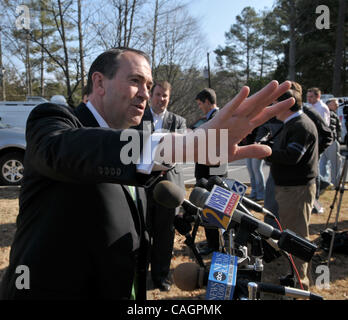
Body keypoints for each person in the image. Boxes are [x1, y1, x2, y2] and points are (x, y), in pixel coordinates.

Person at [0, 46, 295, 299]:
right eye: (135, 81)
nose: (145, 94)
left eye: (148, 84)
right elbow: (66, 151)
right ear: (99, 83)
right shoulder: (53, 120)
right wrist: (194, 142)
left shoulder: (138, 139)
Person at [133, 81, 186, 292]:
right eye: (157, 95)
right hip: (144, 185)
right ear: (150, 95)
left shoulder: (178, 121)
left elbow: (181, 149)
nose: (161, 99)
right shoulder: (138, 119)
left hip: (169, 186)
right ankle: (140, 273)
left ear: (169, 97)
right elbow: (135, 149)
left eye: (165, 95)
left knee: (165, 234)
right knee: (143, 232)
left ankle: (160, 276)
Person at [266, 81, 318, 290]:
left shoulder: (301, 126)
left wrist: (266, 152)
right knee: (291, 233)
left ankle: (300, 283)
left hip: (296, 190)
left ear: (287, 105)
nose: (272, 108)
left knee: (297, 236)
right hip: (289, 189)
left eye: (275, 104)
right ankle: (294, 274)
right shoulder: (292, 124)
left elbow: (292, 156)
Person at [194, 88, 227, 256]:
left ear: (207, 101)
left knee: (212, 210)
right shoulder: (208, 119)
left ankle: (215, 246)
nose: (200, 107)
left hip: (212, 173)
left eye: (200, 104)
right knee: (208, 211)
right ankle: (213, 241)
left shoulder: (217, 119)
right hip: (208, 172)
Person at [320, 98, 342, 187]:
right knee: (336, 163)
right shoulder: (331, 114)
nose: (337, 105)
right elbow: (336, 128)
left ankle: (323, 182)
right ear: (328, 104)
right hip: (331, 141)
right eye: (335, 104)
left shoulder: (322, 112)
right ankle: (335, 183)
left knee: (323, 163)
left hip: (322, 142)